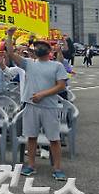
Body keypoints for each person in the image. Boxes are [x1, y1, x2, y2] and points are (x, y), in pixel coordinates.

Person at [5, 27, 68, 180]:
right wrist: (9, 36)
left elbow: (61, 86)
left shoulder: (57, 66)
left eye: (43, 45)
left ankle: (57, 168)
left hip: (49, 106)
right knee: (31, 137)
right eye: (37, 45)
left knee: (54, 139)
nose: (39, 47)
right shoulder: (29, 63)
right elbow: (11, 53)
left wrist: (42, 94)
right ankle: (31, 165)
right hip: (31, 106)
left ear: (49, 49)